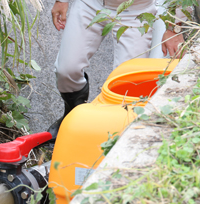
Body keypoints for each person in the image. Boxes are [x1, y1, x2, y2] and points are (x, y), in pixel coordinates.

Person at [48, 0, 187, 137]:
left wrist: (174, 26)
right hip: (90, 4)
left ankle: (111, 134)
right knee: (66, 70)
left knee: (127, 87)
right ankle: (72, 117)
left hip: (136, 11)